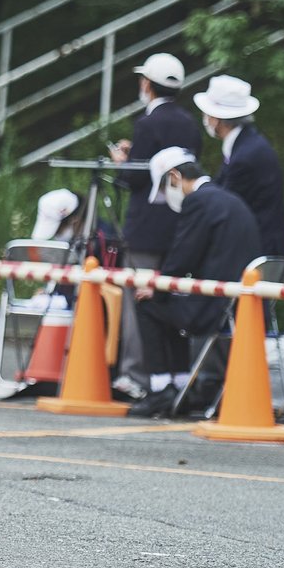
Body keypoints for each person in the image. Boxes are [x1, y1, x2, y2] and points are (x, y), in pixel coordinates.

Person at [128, 146, 261, 418]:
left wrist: (156, 287)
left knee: (149, 304)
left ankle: (162, 388)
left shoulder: (198, 202)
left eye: (166, 188)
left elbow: (182, 256)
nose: (168, 197)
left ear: (175, 176)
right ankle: (181, 385)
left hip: (214, 305)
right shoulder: (227, 199)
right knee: (167, 303)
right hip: (237, 304)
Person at [108, 52, 204, 397]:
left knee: (139, 303)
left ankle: (135, 375)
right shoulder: (189, 123)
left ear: (146, 84)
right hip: (181, 225)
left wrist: (123, 161)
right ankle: (174, 374)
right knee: (172, 299)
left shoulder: (147, 123)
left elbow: (135, 178)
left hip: (146, 227)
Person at [193, 75, 284, 261]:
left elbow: (224, 205)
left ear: (217, 119)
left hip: (261, 254)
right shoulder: (246, 145)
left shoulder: (245, 156)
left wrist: (195, 187)